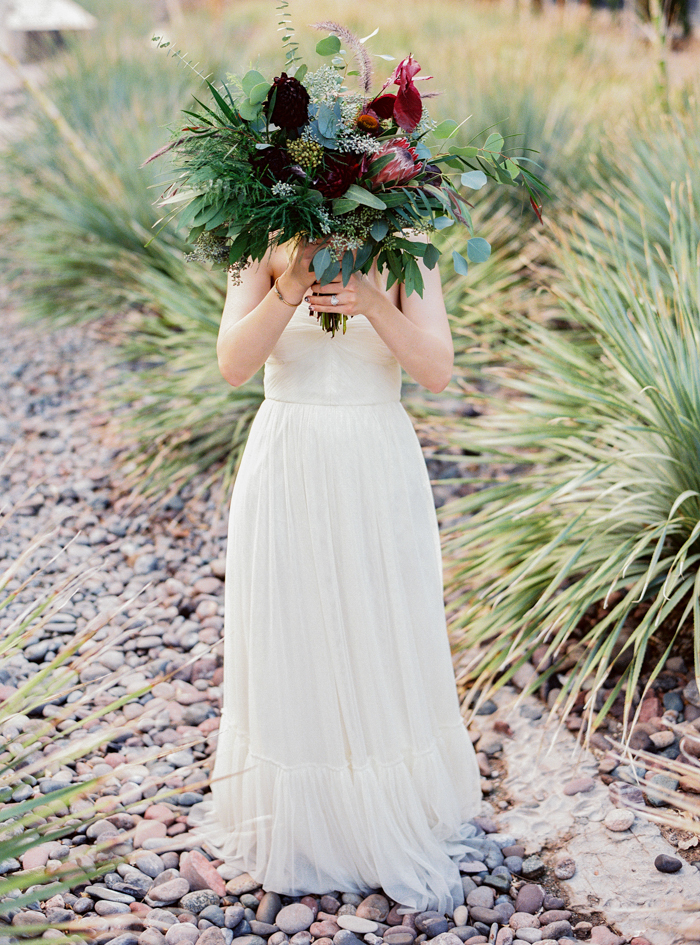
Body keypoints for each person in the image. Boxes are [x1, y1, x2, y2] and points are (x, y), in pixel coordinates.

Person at [193, 236, 482, 914]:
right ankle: (303, 826)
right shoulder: (258, 241)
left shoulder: (409, 242)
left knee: (379, 628)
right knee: (291, 631)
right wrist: (289, 284)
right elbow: (233, 363)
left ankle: (382, 815)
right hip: (286, 459)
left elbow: (437, 369)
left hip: (374, 463)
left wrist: (376, 300)